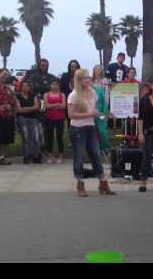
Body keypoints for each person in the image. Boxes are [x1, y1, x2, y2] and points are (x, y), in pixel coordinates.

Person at [68, 69, 115, 197]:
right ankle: (80, 183)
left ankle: (103, 182)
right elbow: (71, 115)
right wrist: (90, 114)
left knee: (96, 154)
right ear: (78, 80)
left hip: (91, 128)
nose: (88, 80)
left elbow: (93, 112)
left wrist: (103, 115)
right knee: (79, 156)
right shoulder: (73, 95)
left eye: (88, 77)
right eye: (84, 78)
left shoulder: (93, 93)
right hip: (78, 129)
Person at [16, 80, 42, 164]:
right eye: (24, 86)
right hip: (22, 119)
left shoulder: (33, 95)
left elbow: (37, 107)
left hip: (33, 119)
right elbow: (19, 110)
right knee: (26, 137)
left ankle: (36, 156)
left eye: (27, 86)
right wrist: (31, 108)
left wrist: (25, 109)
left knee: (36, 137)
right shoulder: (17, 96)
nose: (26, 87)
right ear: (21, 87)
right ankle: (26, 156)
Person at [43, 78, 66, 164]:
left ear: (59, 85)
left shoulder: (62, 95)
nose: (54, 86)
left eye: (56, 84)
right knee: (50, 137)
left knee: (59, 137)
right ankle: (50, 155)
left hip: (60, 118)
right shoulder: (46, 95)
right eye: (53, 84)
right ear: (50, 85)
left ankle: (61, 155)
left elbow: (63, 106)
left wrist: (52, 105)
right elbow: (46, 106)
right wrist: (57, 104)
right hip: (49, 118)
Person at [92, 65, 111, 154]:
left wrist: (106, 108)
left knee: (102, 130)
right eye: (96, 69)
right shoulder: (91, 81)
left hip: (102, 107)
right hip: (92, 108)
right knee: (94, 130)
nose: (98, 71)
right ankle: (97, 148)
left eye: (99, 69)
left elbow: (106, 94)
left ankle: (106, 148)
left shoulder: (105, 81)